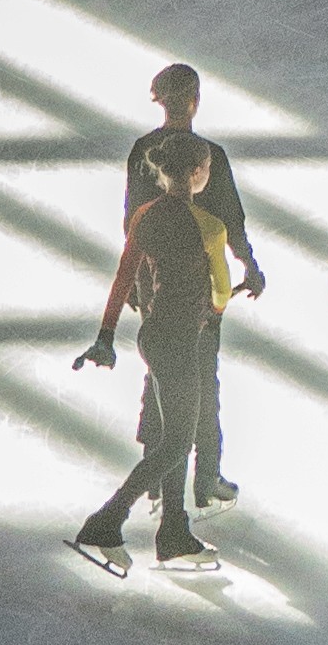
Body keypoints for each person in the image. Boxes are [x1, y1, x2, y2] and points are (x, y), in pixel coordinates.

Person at [100, 62, 263, 507]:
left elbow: (131, 218)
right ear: (194, 101)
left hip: (152, 278)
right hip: (199, 291)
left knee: (160, 376)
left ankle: (155, 473)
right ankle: (205, 478)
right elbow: (231, 220)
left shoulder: (142, 151)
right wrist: (250, 265)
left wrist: (135, 282)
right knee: (200, 380)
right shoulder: (210, 155)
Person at [71, 173, 222, 575]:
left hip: (153, 336)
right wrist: (214, 306)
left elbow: (124, 276)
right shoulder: (204, 223)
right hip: (178, 342)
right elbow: (220, 294)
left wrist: (106, 334)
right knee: (177, 443)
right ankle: (106, 519)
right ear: (196, 176)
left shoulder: (145, 215)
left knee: (175, 436)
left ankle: (173, 530)